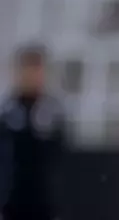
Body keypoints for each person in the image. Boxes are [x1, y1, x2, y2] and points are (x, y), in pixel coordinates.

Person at [0, 43, 65, 220]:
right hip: (12, 203)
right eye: (27, 69)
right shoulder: (7, 112)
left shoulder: (52, 113)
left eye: (36, 70)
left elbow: (59, 160)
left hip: (44, 204)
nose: (31, 76)